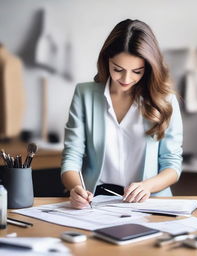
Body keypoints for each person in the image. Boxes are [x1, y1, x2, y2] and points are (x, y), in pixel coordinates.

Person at [61, 19, 183, 209]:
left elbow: (172, 165)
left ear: (149, 68)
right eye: (118, 69)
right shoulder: (84, 94)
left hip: (150, 202)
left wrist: (147, 187)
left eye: (137, 71)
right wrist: (75, 187)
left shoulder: (165, 100)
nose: (126, 79)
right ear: (106, 60)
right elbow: (72, 156)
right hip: (95, 201)